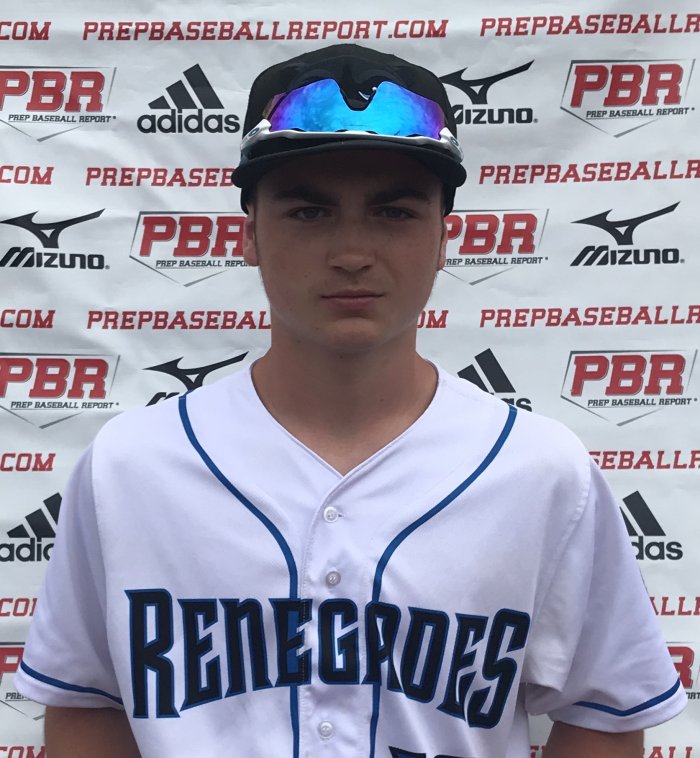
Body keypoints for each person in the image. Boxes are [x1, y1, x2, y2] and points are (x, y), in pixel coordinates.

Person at [15, 44, 686, 758]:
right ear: (248, 233)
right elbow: (86, 703)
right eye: (309, 211)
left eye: (394, 212)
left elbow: (605, 712)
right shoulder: (131, 467)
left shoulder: (541, 471)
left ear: (444, 238)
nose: (352, 251)